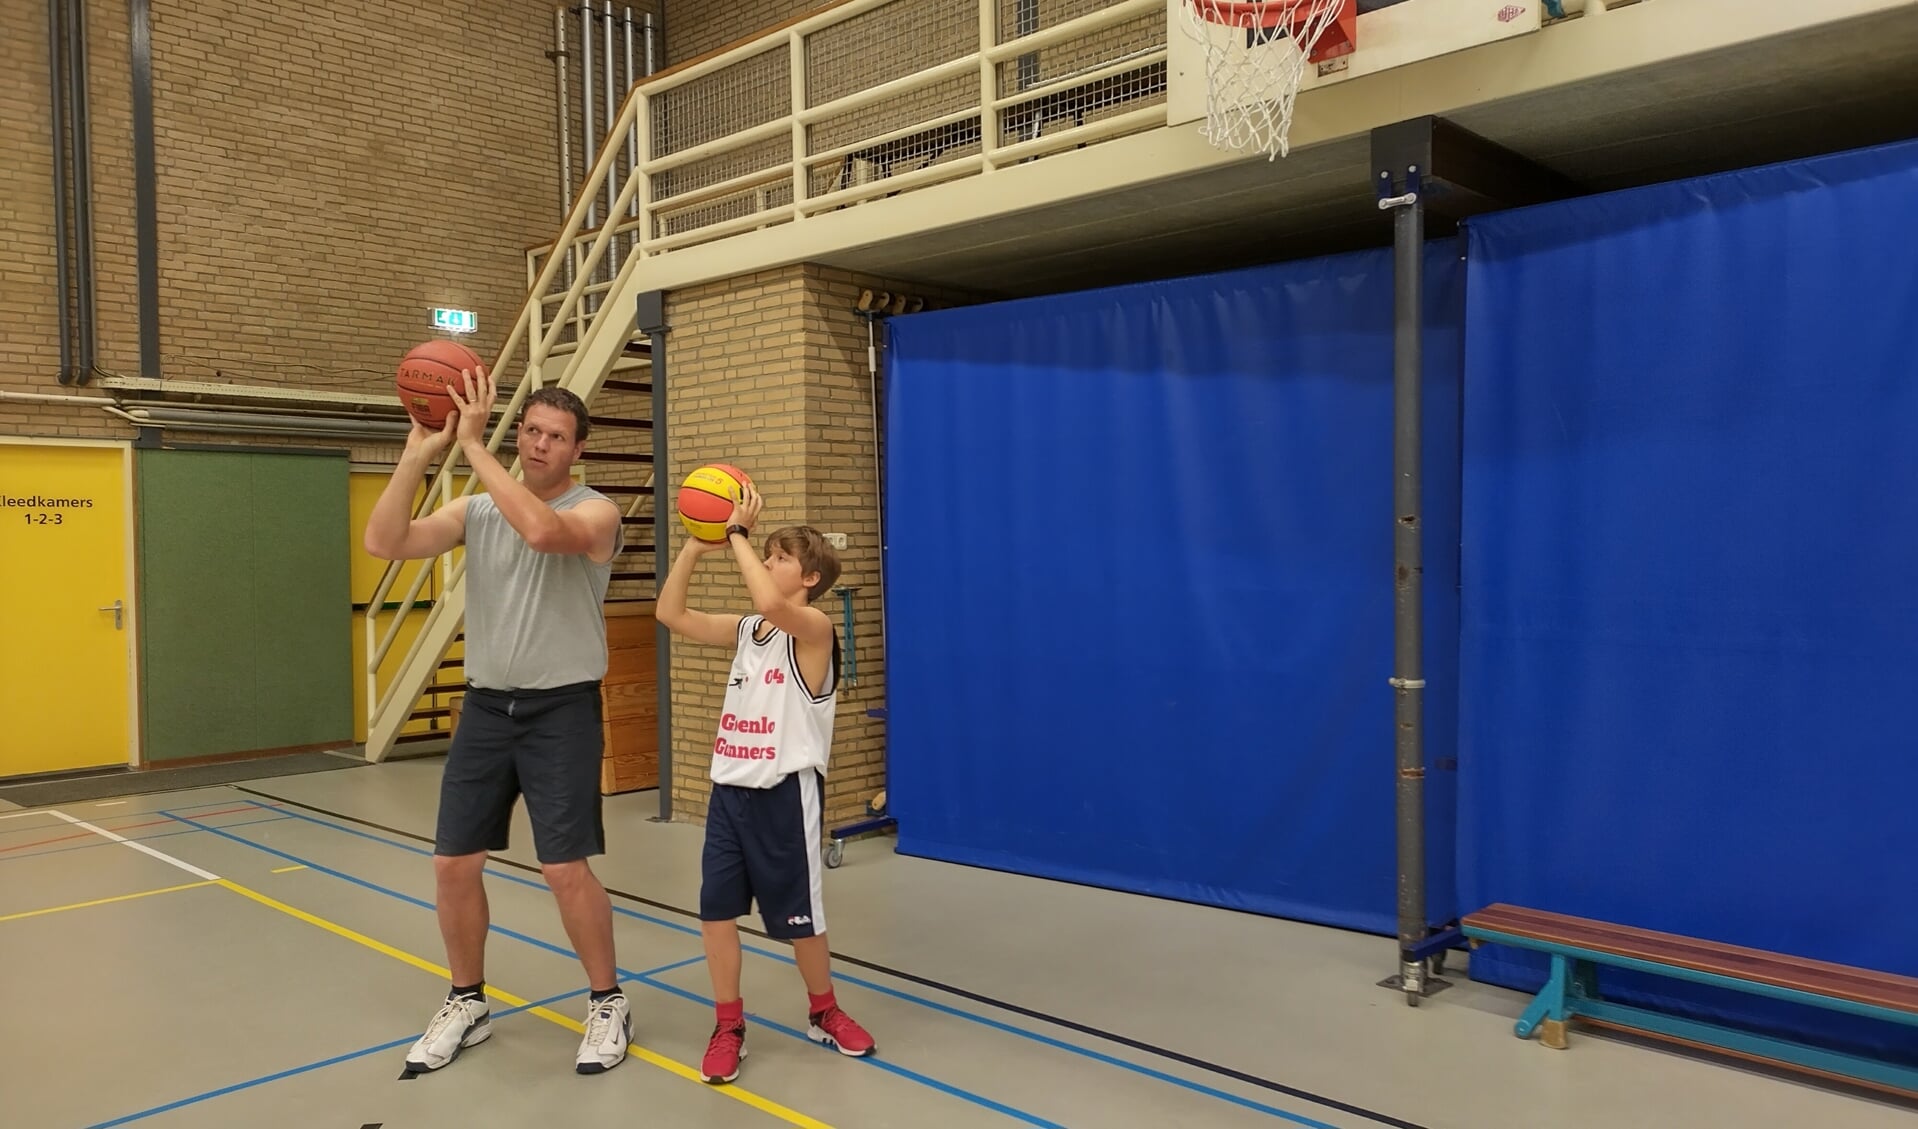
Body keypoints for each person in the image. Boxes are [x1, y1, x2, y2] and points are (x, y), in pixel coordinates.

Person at [362, 366, 631, 1076]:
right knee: (452, 861)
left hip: (561, 709)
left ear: (577, 451)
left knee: (563, 868)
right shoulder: (477, 511)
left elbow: (543, 532)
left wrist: (476, 447)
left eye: (556, 437)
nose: (540, 444)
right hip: (486, 707)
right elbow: (383, 542)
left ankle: (607, 1001)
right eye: (532, 432)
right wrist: (420, 453)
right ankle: (467, 999)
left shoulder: (597, 512)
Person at [656, 483, 876, 1085]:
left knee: (802, 918)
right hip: (730, 793)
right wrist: (697, 548)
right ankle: (729, 1024)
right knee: (716, 914)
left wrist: (736, 533)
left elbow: (773, 605)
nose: (768, 563)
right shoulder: (751, 628)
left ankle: (823, 1009)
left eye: (781, 557)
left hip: (786, 794)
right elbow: (670, 615)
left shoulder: (813, 629)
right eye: (768, 554)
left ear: (807, 578)